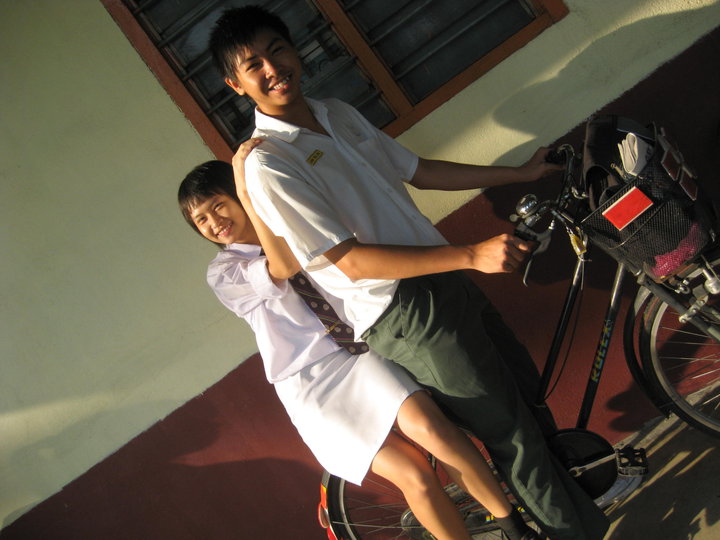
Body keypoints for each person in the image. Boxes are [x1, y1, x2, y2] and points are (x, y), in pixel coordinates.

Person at [207, 6, 611, 540]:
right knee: (511, 434)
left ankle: (577, 522)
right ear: (236, 85)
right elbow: (348, 260)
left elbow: (417, 170)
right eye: (253, 64)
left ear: (294, 50)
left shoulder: (336, 113)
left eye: (276, 49)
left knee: (529, 404)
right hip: (402, 312)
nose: (272, 68)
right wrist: (470, 254)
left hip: (446, 276)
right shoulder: (270, 163)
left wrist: (520, 172)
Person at [177, 156, 540, 540]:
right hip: (309, 384)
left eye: (219, 205)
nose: (214, 222)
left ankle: (516, 529)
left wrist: (255, 197)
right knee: (414, 475)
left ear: (238, 195)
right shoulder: (224, 272)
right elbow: (281, 268)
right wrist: (250, 196)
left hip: (359, 353)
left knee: (432, 429)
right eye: (201, 219)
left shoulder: (293, 223)